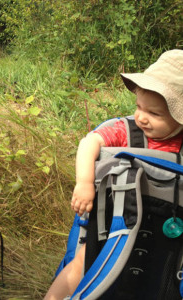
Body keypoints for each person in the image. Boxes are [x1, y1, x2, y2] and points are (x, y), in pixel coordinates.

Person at [44, 49, 183, 299]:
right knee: (81, 264)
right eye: (139, 106)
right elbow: (90, 143)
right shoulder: (126, 132)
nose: (142, 117)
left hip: (165, 236)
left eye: (155, 113)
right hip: (111, 226)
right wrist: (85, 182)